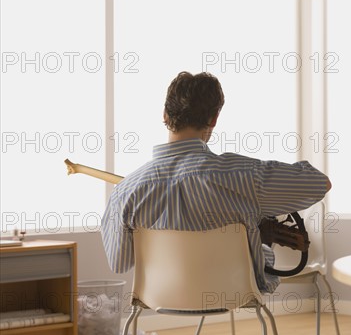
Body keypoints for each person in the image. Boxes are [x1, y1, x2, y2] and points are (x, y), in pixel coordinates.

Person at [101, 71, 331, 293]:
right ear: (214, 119)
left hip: (159, 296)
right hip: (235, 292)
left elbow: (118, 264)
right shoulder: (244, 175)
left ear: (165, 115)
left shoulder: (125, 191)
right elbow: (320, 184)